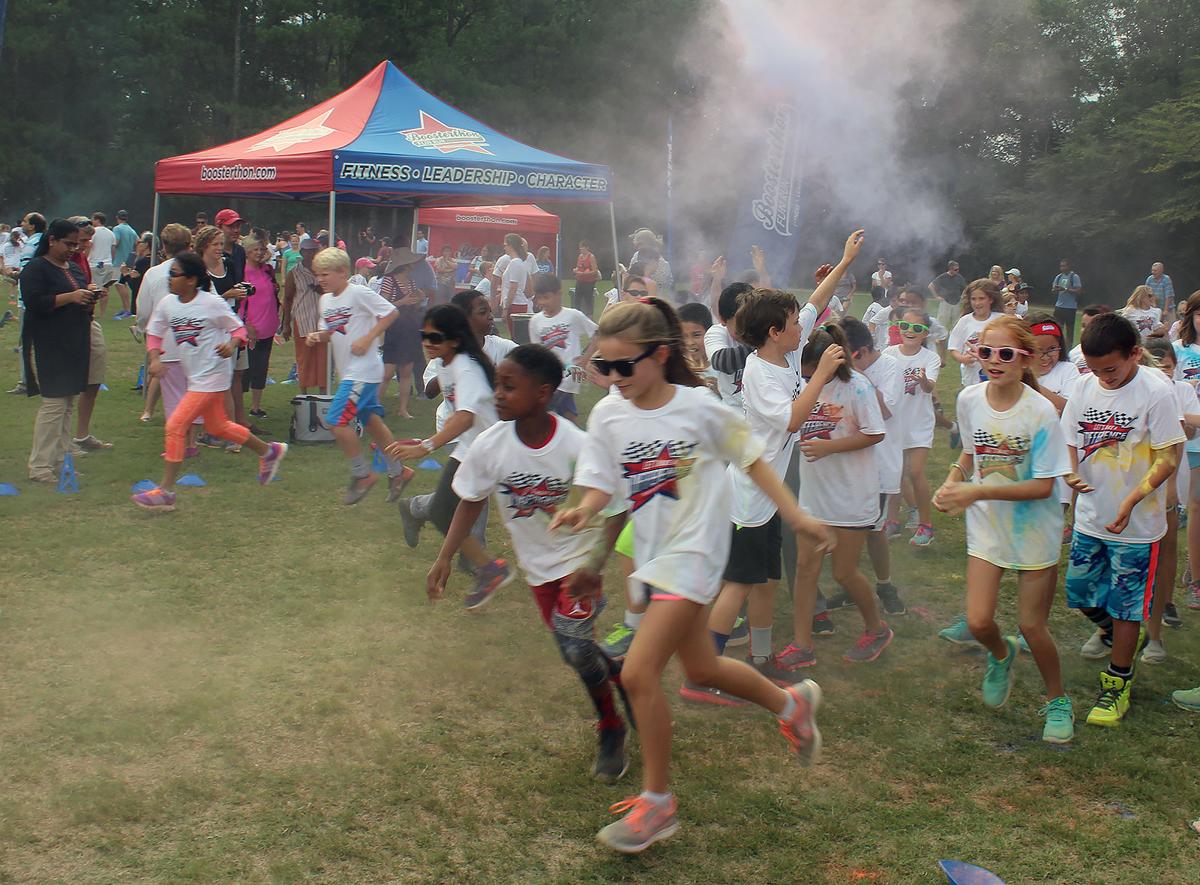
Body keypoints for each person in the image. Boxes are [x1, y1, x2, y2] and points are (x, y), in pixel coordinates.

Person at [550, 297, 826, 854]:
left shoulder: (698, 407)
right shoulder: (608, 412)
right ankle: (791, 704)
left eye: (623, 365)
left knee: (638, 672)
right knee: (702, 667)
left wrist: (794, 513)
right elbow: (605, 481)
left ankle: (657, 804)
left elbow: (751, 458)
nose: (612, 377)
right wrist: (584, 508)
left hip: (697, 550)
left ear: (659, 356)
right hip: (655, 556)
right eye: (603, 366)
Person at [427, 344, 633, 782]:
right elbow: (469, 500)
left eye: (508, 386)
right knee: (572, 650)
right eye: (497, 385)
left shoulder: (577, 444)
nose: (497, 395)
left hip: (579, 565)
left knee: (576, 648)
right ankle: (620, 672)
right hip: (538, 569)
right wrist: (445, 556)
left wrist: (595, 565)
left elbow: (617, 509)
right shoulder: (491, 444)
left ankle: (611, 729)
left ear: (542, 393)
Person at [933, 315, 1074, 742]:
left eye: (1005, 354)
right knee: (978, 621)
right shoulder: (969, 399)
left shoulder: (1042, 412)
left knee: (1033, 626)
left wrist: (974, 493)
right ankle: (1001, 653)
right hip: (989, 526)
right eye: (985, 351)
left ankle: (1058, 701)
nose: (994, 360)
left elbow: (1043, 486)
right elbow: (973, 455)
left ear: (1024, 359)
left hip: (1035, 529)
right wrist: (954, 479)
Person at [701, 288, 844, 696]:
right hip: (749, 498)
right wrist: (821, 375)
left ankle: (761, 661)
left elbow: (817, 300)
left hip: (769, 499)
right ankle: (705, 673)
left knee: (765, 582)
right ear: (775, 331)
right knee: (739, 585)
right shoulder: (759, 373)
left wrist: (846, 260)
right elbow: (793, 420)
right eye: (795, 322)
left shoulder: (787, 355)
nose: (803, 326)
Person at [1062, 313, 1184, 727]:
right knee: (1078, 592)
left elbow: (1170, 455)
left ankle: (1118, 683)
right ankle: (1115, 636)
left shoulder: (1157, 392)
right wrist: (1069, 473)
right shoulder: (1083, 386)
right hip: (1092, 517)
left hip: (1138, 525)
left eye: (1111, 369)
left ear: (1135, 354)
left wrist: (1133, 499)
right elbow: (1069, 439)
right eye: (1096, 371)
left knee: (1127, 606)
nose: (1103, 378)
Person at [134, 251, 287, 511]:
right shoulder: (168, 304)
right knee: (218, 427)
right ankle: (268, 452)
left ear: (192, 279)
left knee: (175, 425)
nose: (170, 279)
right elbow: (154, 333)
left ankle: (166, 492)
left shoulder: (211, 302)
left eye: (175, 274)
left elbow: (238, 328)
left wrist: (232, 343)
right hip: (195, 376)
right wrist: (155, 359)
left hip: (213, 374)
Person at [391, 305, 510, 607]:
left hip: (488, 448)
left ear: (455, 339)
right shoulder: (446, 364)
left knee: (453, 509)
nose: (428, 342)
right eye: (425, 335)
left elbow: (465, 416)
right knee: (446, 511)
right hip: (472, 448)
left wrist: (426, 446)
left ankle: (488, 568)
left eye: (436, 336)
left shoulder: (465, 367)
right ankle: (485, 568)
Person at [789, 324, 892, 668]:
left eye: (811, 368)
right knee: (805, 569)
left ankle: (876, 629)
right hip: (814, 495)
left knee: (844, 573)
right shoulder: (804, 387)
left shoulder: (857, 388)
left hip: (851, 496)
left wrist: (829, 447)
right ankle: (802, 645)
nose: (806, 375)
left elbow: (875, 433)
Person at [302, 248, 412, 504]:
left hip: (364, 371)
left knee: (336, 421)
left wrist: (368, 337)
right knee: (372, 423)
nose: (320, 279)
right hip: (349, 371)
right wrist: (317, 336)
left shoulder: (358, 293)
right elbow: (330, 331)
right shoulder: (325, 300)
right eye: (317, 275)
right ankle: (399, 472)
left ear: (343, 272)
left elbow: (391, 313)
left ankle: (362, 474)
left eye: (325, 274)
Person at [838, 316, 907, 615]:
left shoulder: (890, 367)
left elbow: (887, 411)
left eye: (849, 357)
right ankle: (850, 586)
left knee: (874, 530)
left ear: (863, 351)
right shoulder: (848, 373)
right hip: (848, 463)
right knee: (845, 529)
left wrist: (858, 376)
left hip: (879, 465)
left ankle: (885, 584)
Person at [19, 219, 96, 482]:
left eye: (77, 244)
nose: (73, 249)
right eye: (68, 244)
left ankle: (61, 459)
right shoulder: (36, 268)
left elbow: (79, 300)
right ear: (52, 240)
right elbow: (35, 302)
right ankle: (40, 466)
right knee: (53, 405)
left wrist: (88, 297)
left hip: (74, 342)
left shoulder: (73, 267)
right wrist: (71, 297)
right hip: (49, 344)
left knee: (67, 405)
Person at [1140, 338, 1195, 663]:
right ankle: (1111, 629)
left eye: (1168, 365)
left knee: (1164, 556)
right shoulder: (1136, 387)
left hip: (1167, 485)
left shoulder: (1177, 390)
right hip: (1131, 483)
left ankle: (1155, 633)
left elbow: (1180, 438)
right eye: (1156, 364)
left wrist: (1171, 487)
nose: (1162, 371)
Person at [883, 309, 941, 546]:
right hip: (894, 424)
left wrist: (923, 380)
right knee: (894, 475)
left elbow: (929, 389)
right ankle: (892, 521)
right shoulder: (888, 354)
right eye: (905, 326)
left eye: (917, 329)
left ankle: (925, 525)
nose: (910, 331)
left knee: (915, 472)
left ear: (925, 333)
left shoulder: (930, 358)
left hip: (919, 424)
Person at [136, 223, 193, 424]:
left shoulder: (153, 274)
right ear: (188, 245)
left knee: (167, 384)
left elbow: (142, 310)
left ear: (165, 247)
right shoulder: (197, 272)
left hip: (165, 340)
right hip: (193, 339)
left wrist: (144, 328)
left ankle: (155, 414)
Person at [66, 217, 112, 454]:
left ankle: (82, 435)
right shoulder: (62, 259)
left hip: (88, 319)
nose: (86, 245)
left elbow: (85, 283)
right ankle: (65, 440)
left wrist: (94, 289)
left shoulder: (82, 257)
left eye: (88, 240)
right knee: (68, 385)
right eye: (83, 240)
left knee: (94, 379)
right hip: (69, 325)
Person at [528, 273, 599, 424]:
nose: (541, 302)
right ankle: (576, 441)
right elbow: (537, 352)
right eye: (538, 298)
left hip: (568, 376)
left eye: (546, 297)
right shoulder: (535, 321)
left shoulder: (573, 316)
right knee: (562, 415)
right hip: (548, 376)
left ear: (559, 293)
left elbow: (597, 334)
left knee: (551, 413)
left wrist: (585, 359)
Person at [1171, 291, 1200, 611]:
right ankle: (1196, 581)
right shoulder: (1178, 352)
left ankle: (1194, 564)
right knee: (1196, 506)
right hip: (1191, 440)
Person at [377, 247, 427, 418]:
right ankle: (374, 407)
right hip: (395, 328)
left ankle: (403, 409)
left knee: (407, 370)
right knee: (388, 372)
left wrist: (417, 300)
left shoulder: (411, 282)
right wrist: (402, 301)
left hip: (410, 327)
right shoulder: (389, 280)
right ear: (404, 265)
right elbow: (381, 305)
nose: (413, 265)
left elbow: (414, 306)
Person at [239, 236, 280, 419]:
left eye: (261, 250)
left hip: (268, 325)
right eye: (255, 249)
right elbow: (241, 301)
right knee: (245, 369)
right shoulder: (243, 272)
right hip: (251, 326)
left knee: (261, 366)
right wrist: (246, 324)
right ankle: (237, 405)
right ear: (247, 251)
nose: (259, 253)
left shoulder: (266, 270)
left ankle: (256, 406)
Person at [280, 238, 327, 394]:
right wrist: (286, 324)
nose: (311, 254)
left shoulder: (324, 271)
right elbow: (287, 298)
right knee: (304, 357)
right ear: (302, 252)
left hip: (322, 319)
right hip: (303, 317)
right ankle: (303, 392)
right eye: (308, 251)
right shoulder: (294, 273)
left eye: (314, 251)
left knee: (323, 358)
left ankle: (323, 391)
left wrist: (322, 290)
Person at [948, 279, 1006, 389]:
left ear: (991, 299)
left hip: (996, 373)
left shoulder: (1001, 319)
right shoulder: (965, 321)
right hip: (971, 377)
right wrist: (962, 358)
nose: (977, 303)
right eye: (973, 299)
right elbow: (953, 347)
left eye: (981, 298)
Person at [677, 302, 720, 395]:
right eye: (683, 336)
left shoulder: (721, 368)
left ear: (710, 333)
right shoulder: (676, 370)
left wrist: (719, 391)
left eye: (696, 335)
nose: (690, 342)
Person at [87, 212, 122, 318]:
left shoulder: (93, 232)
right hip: (107, 263)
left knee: (93, 289)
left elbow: (89, 246)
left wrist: (85, 258)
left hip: (94, 263)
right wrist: (111, 260)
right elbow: (113, 249)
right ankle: (102, 313)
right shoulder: (110, 233)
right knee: (105, 289)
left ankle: (91, 312)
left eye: (93, 219)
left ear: (97, 220)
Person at [500, 233, 533, 333]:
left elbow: (513, 288)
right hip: (518, 303)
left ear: (511, 246)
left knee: (515, 336)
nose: (504, 247)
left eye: (505, 245)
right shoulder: (519, 262)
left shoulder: (515, 263)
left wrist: (506, 308)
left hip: (515, 304)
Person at [112, 210, 138, 317]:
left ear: (117, 218)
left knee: (119, 284)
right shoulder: (131, 230)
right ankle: (126, 308)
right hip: (129, 261)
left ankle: (126, 309)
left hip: (119, 261)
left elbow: (116, 242)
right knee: (124, 285)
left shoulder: (117, 229)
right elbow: (138, 242)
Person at [1069, 304, 1111, 373]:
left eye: (1091, 326)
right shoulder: (1073, 354)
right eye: (1083, 326)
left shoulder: (1113, 354)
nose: (1085, 330)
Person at [1051, 258, 1083, 341]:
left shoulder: (1074, 277)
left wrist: (1065, 289)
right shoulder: (1058, 277)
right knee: (1057, 329)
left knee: (1070, 331)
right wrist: (1054, 290)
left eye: (1064, 266)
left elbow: (1079, 291)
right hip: (1059, 307)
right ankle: (1058, 347)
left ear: (1069, 266)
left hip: (1070, 307)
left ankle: (1068, 350)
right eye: (1061, 266)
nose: (1062, 268)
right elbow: (1053, 290)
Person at [573, 240, 600, 318]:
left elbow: (595, 271)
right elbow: (579, 267)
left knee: (588, 299)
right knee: (577, 299)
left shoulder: (591, 257)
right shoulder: (580, 257)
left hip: (589, 282)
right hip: (579, 280)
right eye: (580, 248)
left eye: (583, 248)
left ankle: (589, 316)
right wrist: (576, 270)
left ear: (587, 248)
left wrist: (584, 273)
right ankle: (577, 315)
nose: (581, 250)